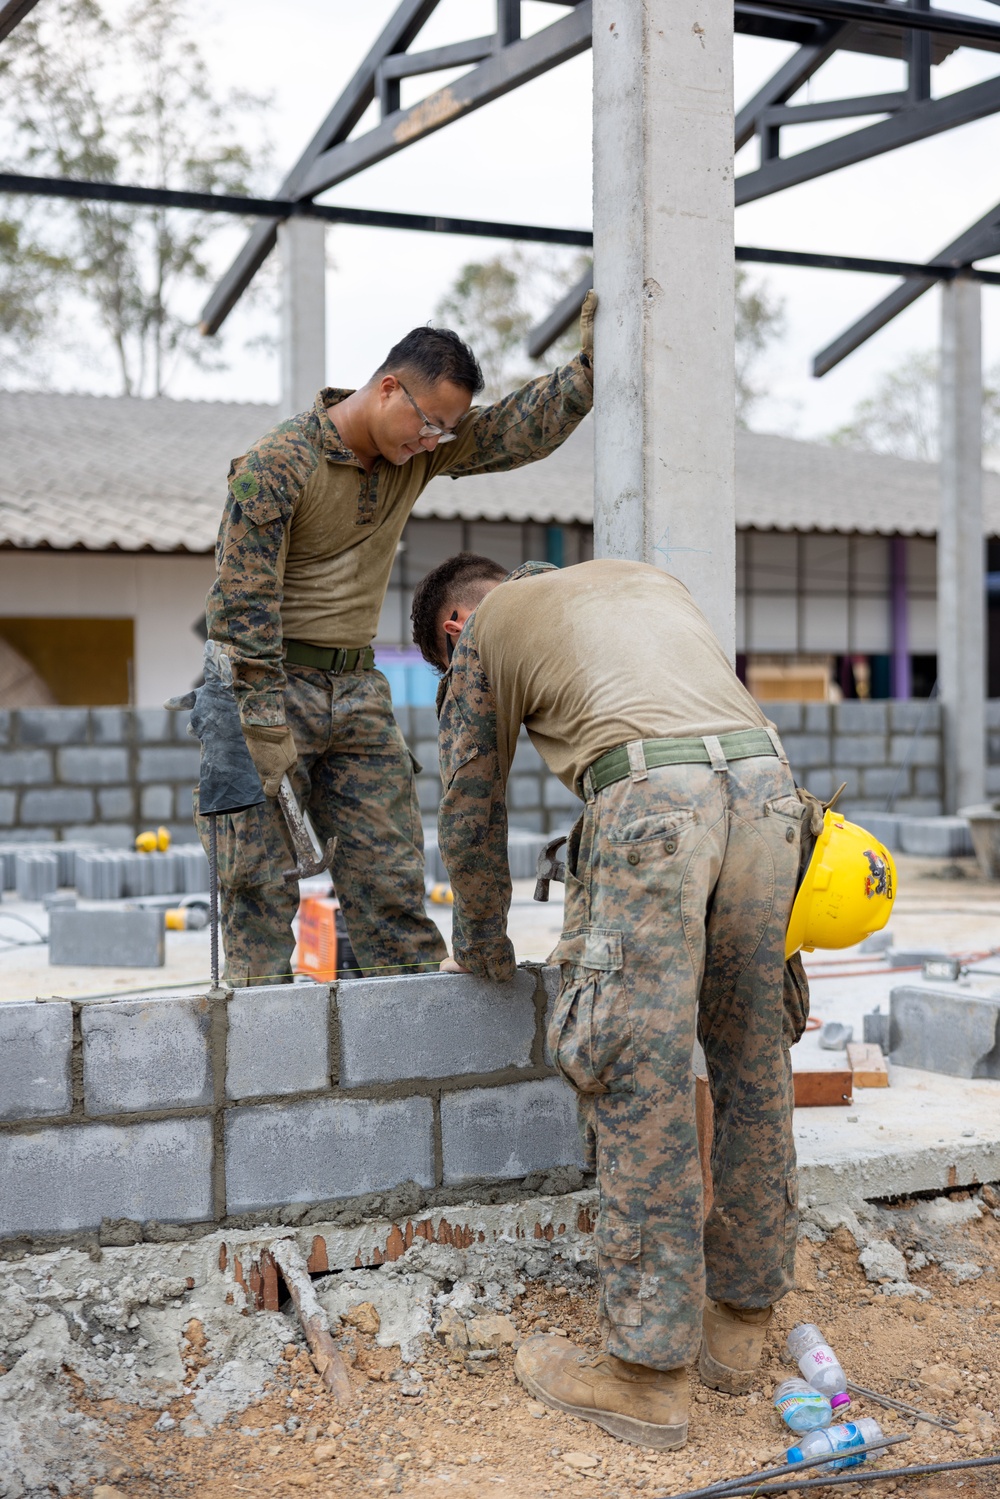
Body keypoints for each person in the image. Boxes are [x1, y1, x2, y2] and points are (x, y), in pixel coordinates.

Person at [410, 553, 809, 1450]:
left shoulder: (486, 635)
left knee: (638, 1072)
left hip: (655, 806)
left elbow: (470, 809)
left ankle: (645, 1374)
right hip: (777, 797)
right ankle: (739, 1324)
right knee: (754, 1053)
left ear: (452, 629)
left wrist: (481, 946)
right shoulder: (641, 579)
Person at [201, 295, 595, 985]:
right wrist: (261, 727)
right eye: (427, 422)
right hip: (259, 688)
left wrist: (588, 372)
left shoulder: (416, 454)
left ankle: (408, 1056)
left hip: (355, 689)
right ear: (388, 388)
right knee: (256, 894)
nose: (431, 441)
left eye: (444, 431)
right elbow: (242, 606)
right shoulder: (277, 466)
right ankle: (262, 1061)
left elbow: (510, 431)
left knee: (391, 884)